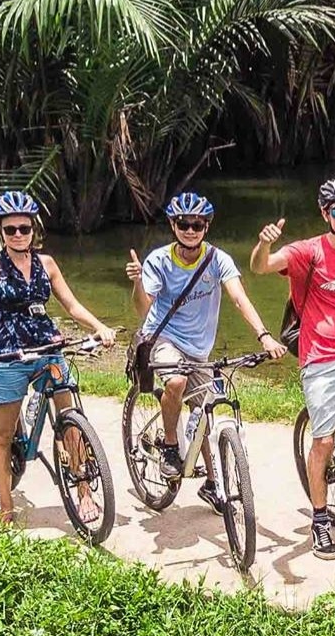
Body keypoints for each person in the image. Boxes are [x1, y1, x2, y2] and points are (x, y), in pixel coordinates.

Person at [0, 191, 117, 527]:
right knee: (1, 437)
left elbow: (71, 306)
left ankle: (84, 488)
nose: (18, 235)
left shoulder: (46, 263)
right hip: (9, 354)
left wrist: (100, 327)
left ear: (34, 230)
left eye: (24, 228)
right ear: (0, 232)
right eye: (10, 229)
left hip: (47, 347)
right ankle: (5, 506)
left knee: (71, 415)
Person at [248, 177, 335, 561]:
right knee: (324, 440)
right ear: (326, 214)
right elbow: (260, 267)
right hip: (322, 359)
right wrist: (264, 243)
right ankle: (321, 519)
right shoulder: (306, 252)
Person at [123, 191, 287, 496]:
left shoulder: (217, 259)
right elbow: (144, 310)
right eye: (183, 224)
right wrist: (137, 282)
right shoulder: (159, 260)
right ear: (173, 225)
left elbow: (239, 298)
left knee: (208, 411)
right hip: (164, 338)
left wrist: (264, 336)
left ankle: (214, 484)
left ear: (206, 227)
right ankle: (170, 445)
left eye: (196, 225)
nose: (189, 230)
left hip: (200, 350)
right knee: (176, 382)